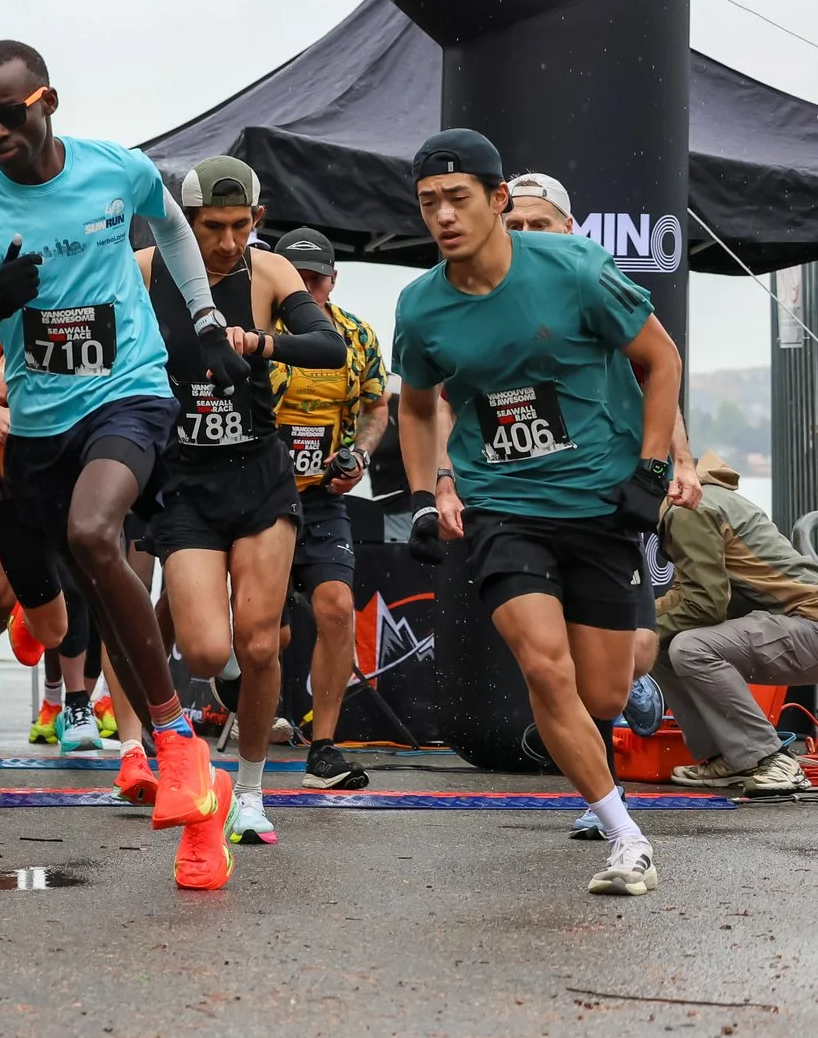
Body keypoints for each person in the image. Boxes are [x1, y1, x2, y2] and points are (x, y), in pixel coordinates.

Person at [0, 39, 252, 891]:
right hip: (35, 427)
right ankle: (194, 802)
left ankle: (174, 740)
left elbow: (172, 223)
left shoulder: (117, 170)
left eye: (6, 115)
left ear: (46, 101)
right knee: (59, 605)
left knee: (97, 533)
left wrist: (205, 315)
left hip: (129, 393)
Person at [394, 127, 694, 898]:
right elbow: (420, 405)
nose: (444, 217)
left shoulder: (577, 269)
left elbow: (661, 362)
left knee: (599, 690)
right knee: (542, 663)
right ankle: (626, 836)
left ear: (497, 200)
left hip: (597, 501)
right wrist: (435, 491)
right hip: (505, 507)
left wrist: (655, 470)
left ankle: (606, 745)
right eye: (429, 203)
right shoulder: (421, 306)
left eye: (458, 198)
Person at [136, 158, 346, 851]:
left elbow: (328, 345)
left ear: (256, 220)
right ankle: (175, 747)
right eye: (209, 228)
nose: (225, 242)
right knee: (204, 651)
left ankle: (250, 791)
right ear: (184, 223)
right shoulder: (145, 269)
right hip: (187, 480)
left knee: (260, 642)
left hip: (259, 475)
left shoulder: (270, 272)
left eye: (237, 225)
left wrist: (258, 340)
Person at [269, 226, 385, 792]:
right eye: (296, 278)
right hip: (256, 495)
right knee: (260, 629)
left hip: (321, 496)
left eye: (316, 279)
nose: (306, 289)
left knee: (337, 607)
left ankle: (324, 749)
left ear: (333, 281)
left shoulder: (357, 336)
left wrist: (358, 456)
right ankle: (229, 698)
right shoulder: (254, 331)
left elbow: (376, 407)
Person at [656, 455, 818, 796]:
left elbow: (705, 605)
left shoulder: (686, 506)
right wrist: (635, 623)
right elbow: (697, 594)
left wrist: (633, 634)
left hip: (810, 624)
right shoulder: (708, 496)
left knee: (688, 647)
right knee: (662, 646)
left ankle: (773, 759)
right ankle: (729, 758)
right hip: (797, 624)